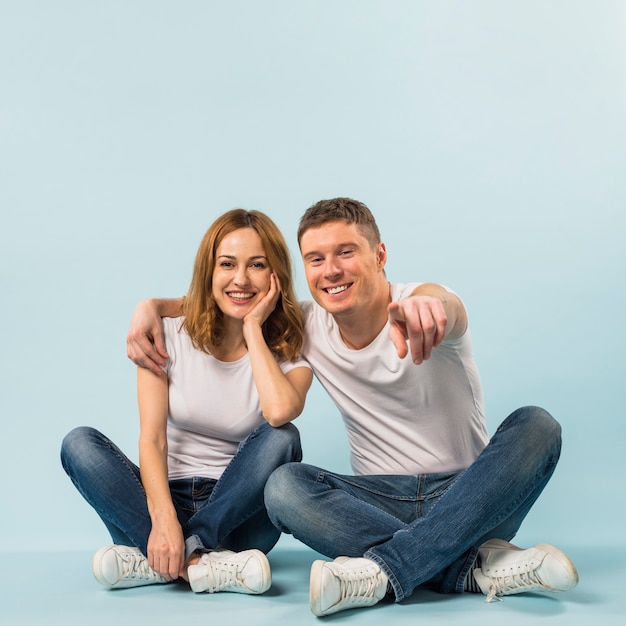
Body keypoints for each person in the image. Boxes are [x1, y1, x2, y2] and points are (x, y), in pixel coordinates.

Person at [126, 197, 578, 616]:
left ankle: (388, 568)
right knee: (283, 487)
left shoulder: (418, 302)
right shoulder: (308, 322)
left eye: (346, 252)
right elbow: (231, 298)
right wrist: (152, 306)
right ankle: (472, 564)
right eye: (316, 259)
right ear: (302, 270)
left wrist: (431, 306)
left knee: (537, 425)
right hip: (378, 505)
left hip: (471, 497)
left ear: (380, 255)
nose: (331, 271)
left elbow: (448, 306)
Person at [61, 209, 312, 595]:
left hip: (238, 516)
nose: (241, 279)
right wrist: (163, 522)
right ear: (209, 271)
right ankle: (200, 563)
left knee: (283, 437)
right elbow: (153, 439)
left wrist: (252, 329)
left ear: (275, 275)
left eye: (257, 265)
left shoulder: (290, 350)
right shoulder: (165, 333)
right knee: (78, 443)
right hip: (158, 506)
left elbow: (280, 413)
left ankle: (157, 561)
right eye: (227, 264)